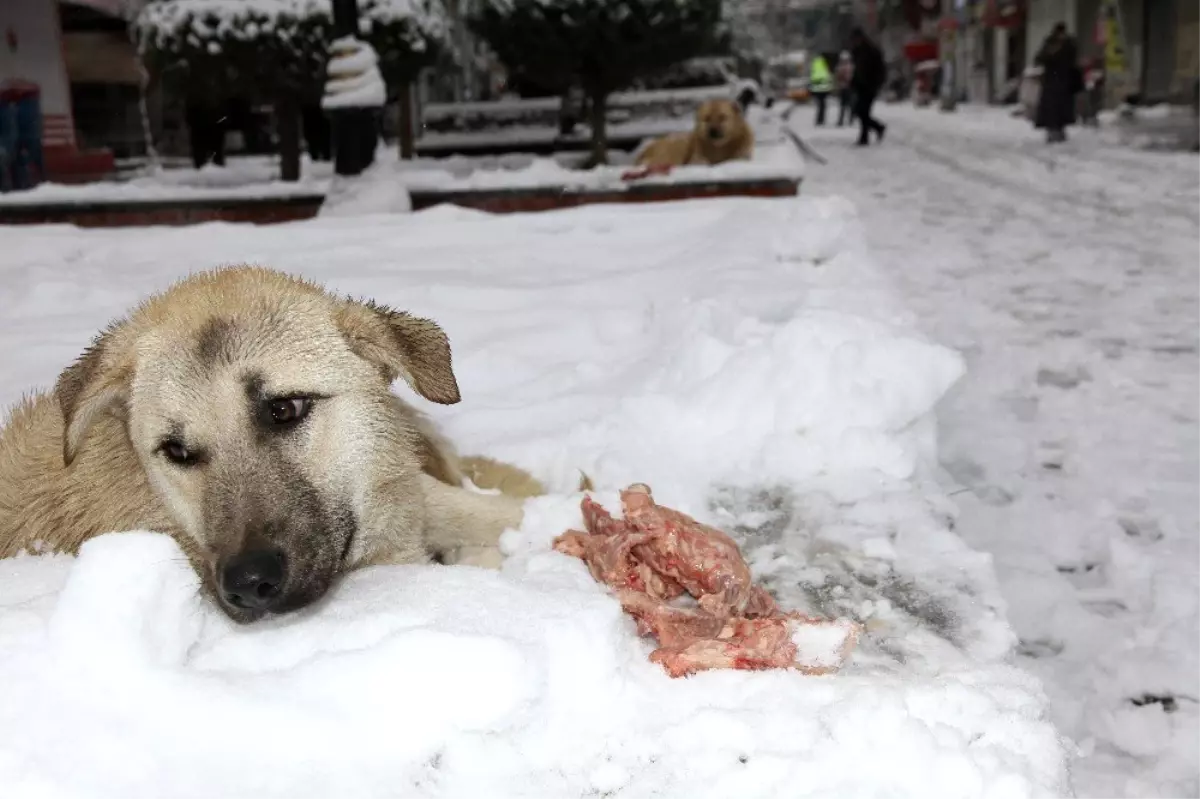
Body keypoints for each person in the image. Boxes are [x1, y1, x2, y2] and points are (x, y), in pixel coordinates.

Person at [1033, 22, 1082, 143]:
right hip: (1053, 79)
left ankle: (1059, 129)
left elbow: (1073, 60)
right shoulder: (1050, 43)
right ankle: (1052, 129)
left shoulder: (1069, 44)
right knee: (1052, 107)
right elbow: (1040, 58)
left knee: (1062, 107)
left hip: (1064, 79)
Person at [849, 28, 887, 146]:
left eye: (856, 39)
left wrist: (876, 83)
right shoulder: (857, 52)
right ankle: (877, 128)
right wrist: (853, 82)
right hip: (861, 86)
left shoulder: (871, 51)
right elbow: (857, 71)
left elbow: (880, 69)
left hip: (869, 86)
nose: (855, 41)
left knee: (863, 112)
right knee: (861, 112)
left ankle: (866, 136)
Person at [809, 52, 834, 126]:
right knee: (823, 105)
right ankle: (821, 120)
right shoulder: (824, 63)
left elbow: (812, 75)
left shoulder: (815, 63)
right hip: (824, 88)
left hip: (816, 88)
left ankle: (818, 120)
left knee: (819, 105)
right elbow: (827, 75)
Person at [835, 50, 855, 127]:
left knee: (847, 105)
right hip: (845, 87)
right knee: (845, 105)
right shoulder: (850, 66)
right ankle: (845, 120)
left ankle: (845, 120)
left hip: (847, 88)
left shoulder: (846, 67)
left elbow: (839, 77)